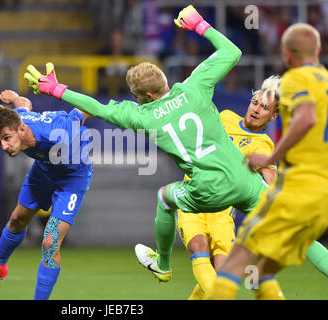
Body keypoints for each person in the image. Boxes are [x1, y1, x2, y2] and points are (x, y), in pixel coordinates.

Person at [25, 5, 269, 282]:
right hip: (241, 179)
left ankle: (163, 265)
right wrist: (200, 25)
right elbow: (232, 53)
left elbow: (97, 107)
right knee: (303, 242)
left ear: (147, 95)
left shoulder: (142, 117)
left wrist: (56, 89)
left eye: (135, 94)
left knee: (165, 197)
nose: (134, 97)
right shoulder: (193, 86)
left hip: (207, 189)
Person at [208, 22, 328, 300]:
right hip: (321, 193)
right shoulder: (323, 79)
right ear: (318, 50)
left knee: (235, 262)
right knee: (264, 271)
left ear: (287, 54)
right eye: (256, 102)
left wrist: (271, 158)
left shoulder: (296, 79)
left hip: (299, 185)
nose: (258, 108)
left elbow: (306, 118)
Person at [0, 84, 93, 301]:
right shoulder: (20, 119)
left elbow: (84, 108)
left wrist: (118, 111)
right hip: (44, 171)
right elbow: (23, 104)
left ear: (21, 129)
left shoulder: (56, 133)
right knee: (16, 220)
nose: (4, 146)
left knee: (50, 243)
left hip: (72, 178)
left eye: (6, 138)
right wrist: (13, 96)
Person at [175, 75, 280, 300]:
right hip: (193, 198)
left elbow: (272, 183)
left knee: (220, 275)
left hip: (222, 212)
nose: (256, 110)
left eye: (264, 108)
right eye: (255, 103)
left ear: (273, 116)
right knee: (198, 245)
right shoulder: (225, 118)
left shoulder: (265, 147)